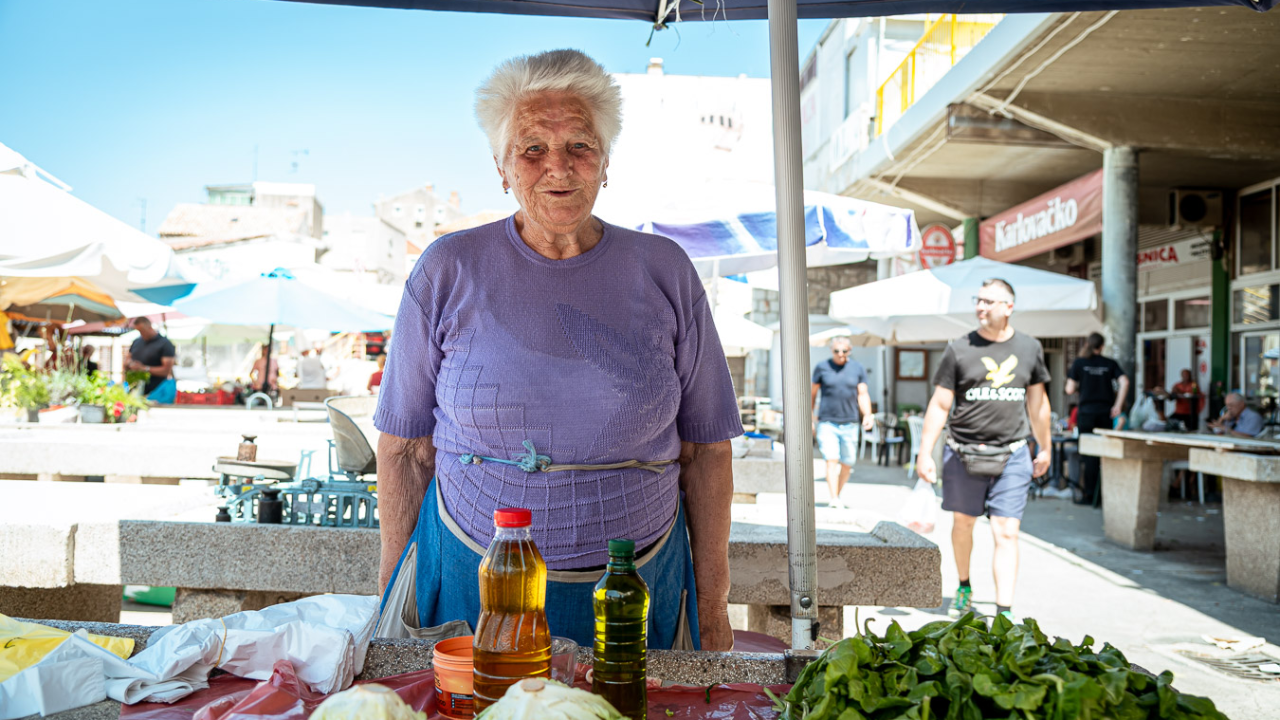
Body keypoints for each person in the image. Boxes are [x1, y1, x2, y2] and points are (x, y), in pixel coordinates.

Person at [373, 50, 741, 651]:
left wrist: (713, 611)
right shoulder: (447, 268)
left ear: (605, 162)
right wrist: (391, 603)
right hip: (473, 581)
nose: (558, 169)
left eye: (579, 146)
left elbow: (708, 453)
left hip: (636, 585)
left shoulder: (665, 269)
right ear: (501, 167)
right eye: (533, 149)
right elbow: (405, 450)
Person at [915, 278, 1051, 621]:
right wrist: (924, 451)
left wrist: (1045, 447)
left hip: (1013, 453)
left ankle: (1004, 610)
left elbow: (1038, 404)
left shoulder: (1029, 348)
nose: (981, 307)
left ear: (1009, 307)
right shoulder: (959, 349)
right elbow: (940, 403)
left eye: (989, 301)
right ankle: (964, 585)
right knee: (963, 525)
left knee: (1007, 530)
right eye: (978, 300)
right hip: (963, 452)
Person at [1065, 332, 1129, 506]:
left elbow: (1069, 389)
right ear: (1102, 346)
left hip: (1086, 413)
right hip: (1105, 414)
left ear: (1087, 344)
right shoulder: (1109, 363)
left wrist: (1083, 386)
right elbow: (1125, 382)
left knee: (1089, 455)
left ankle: (1090, 495)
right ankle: (1103, 495)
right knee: (1104, 454)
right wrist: (1117, 405)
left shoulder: (1079, 363)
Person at [810, 336, 873, 509]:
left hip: (850, 422)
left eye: (844, 351)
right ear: (832, 351)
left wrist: (867, 414)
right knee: (831, 460)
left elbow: (863, 394)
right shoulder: (822, 368)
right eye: (836, 351)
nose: (840, 354)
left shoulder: (857, 368)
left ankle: (837, 494)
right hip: (827, 422)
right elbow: (812, 394)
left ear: (849, 351)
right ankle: (834, 498)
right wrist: (810, 417)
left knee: (848, 462)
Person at [125, 318, 177, 403]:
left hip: (157, 392)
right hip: (136, 391)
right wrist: (130, 364)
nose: (141, 333)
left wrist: (144, 368)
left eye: (142, 330)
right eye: (138, 331)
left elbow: (166, 370)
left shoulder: (165, 343)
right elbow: (127, 359)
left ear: (149, 327)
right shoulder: (136, 342)